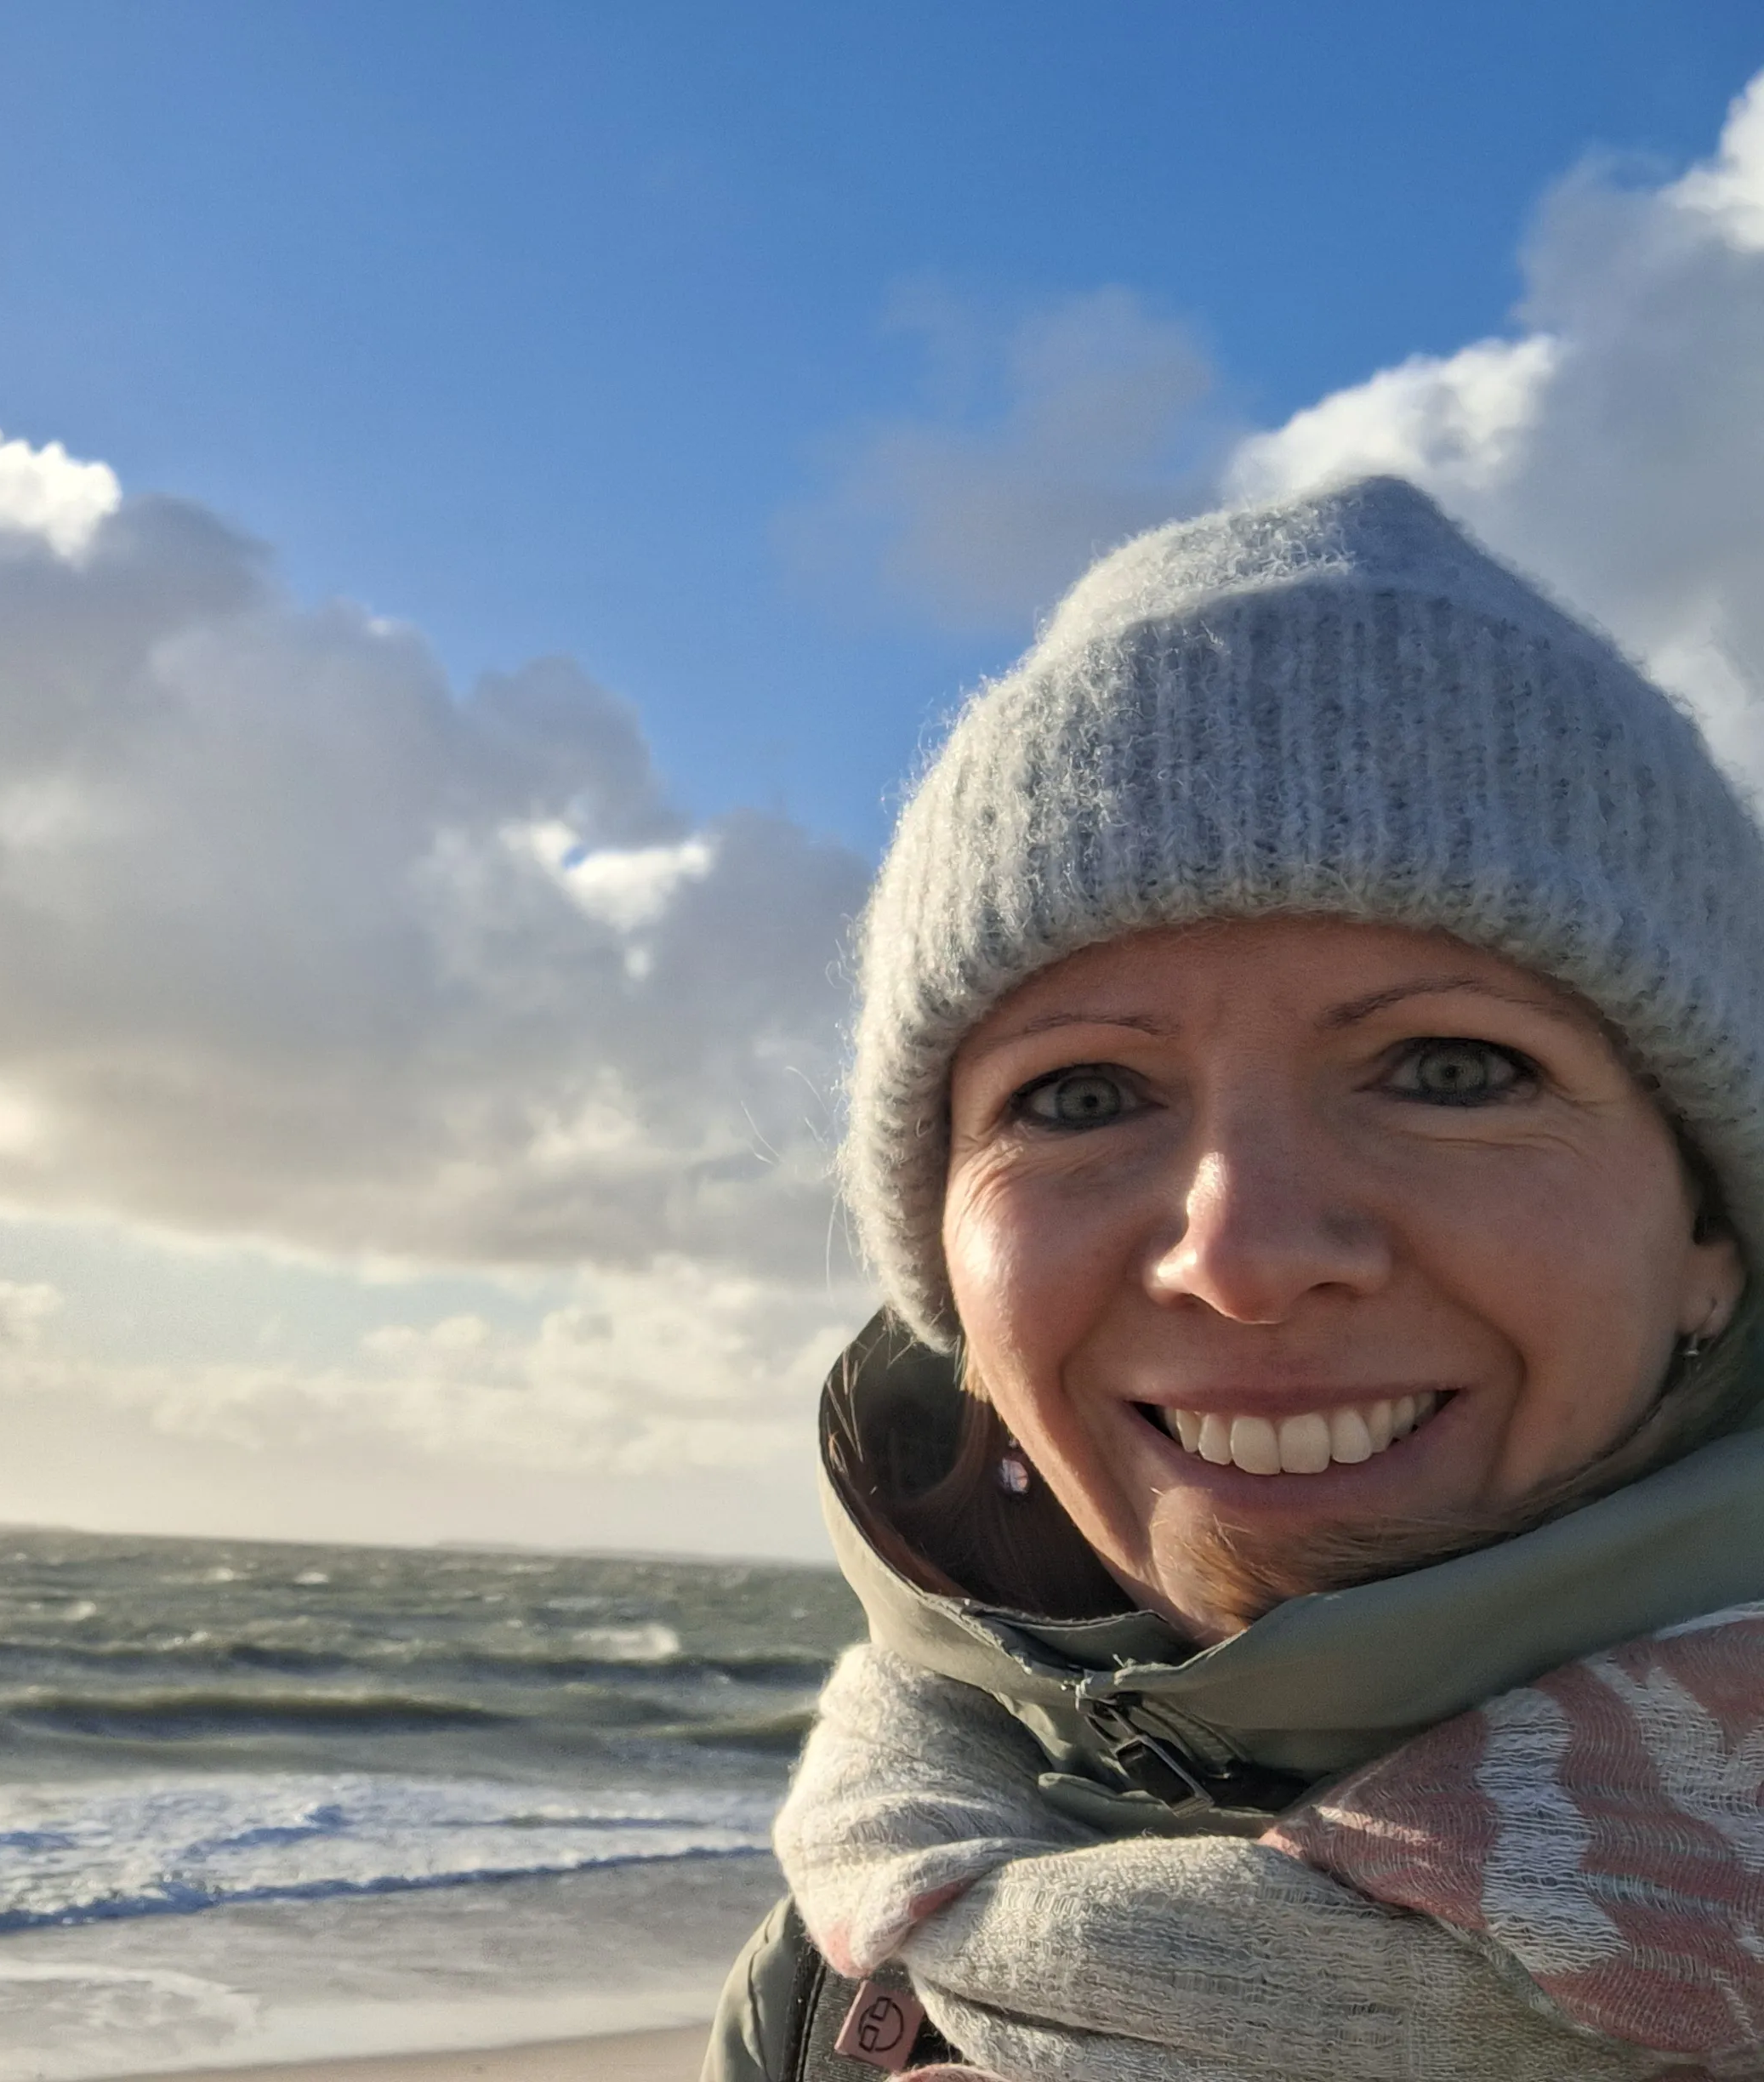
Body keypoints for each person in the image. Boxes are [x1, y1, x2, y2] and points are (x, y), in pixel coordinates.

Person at [705, 476, 1764, 2082]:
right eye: (1079, 1096)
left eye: (1454, 1071)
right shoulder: (851, 1954)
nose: (1246, 1258)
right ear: (952, 1293)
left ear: (1710, 1237)